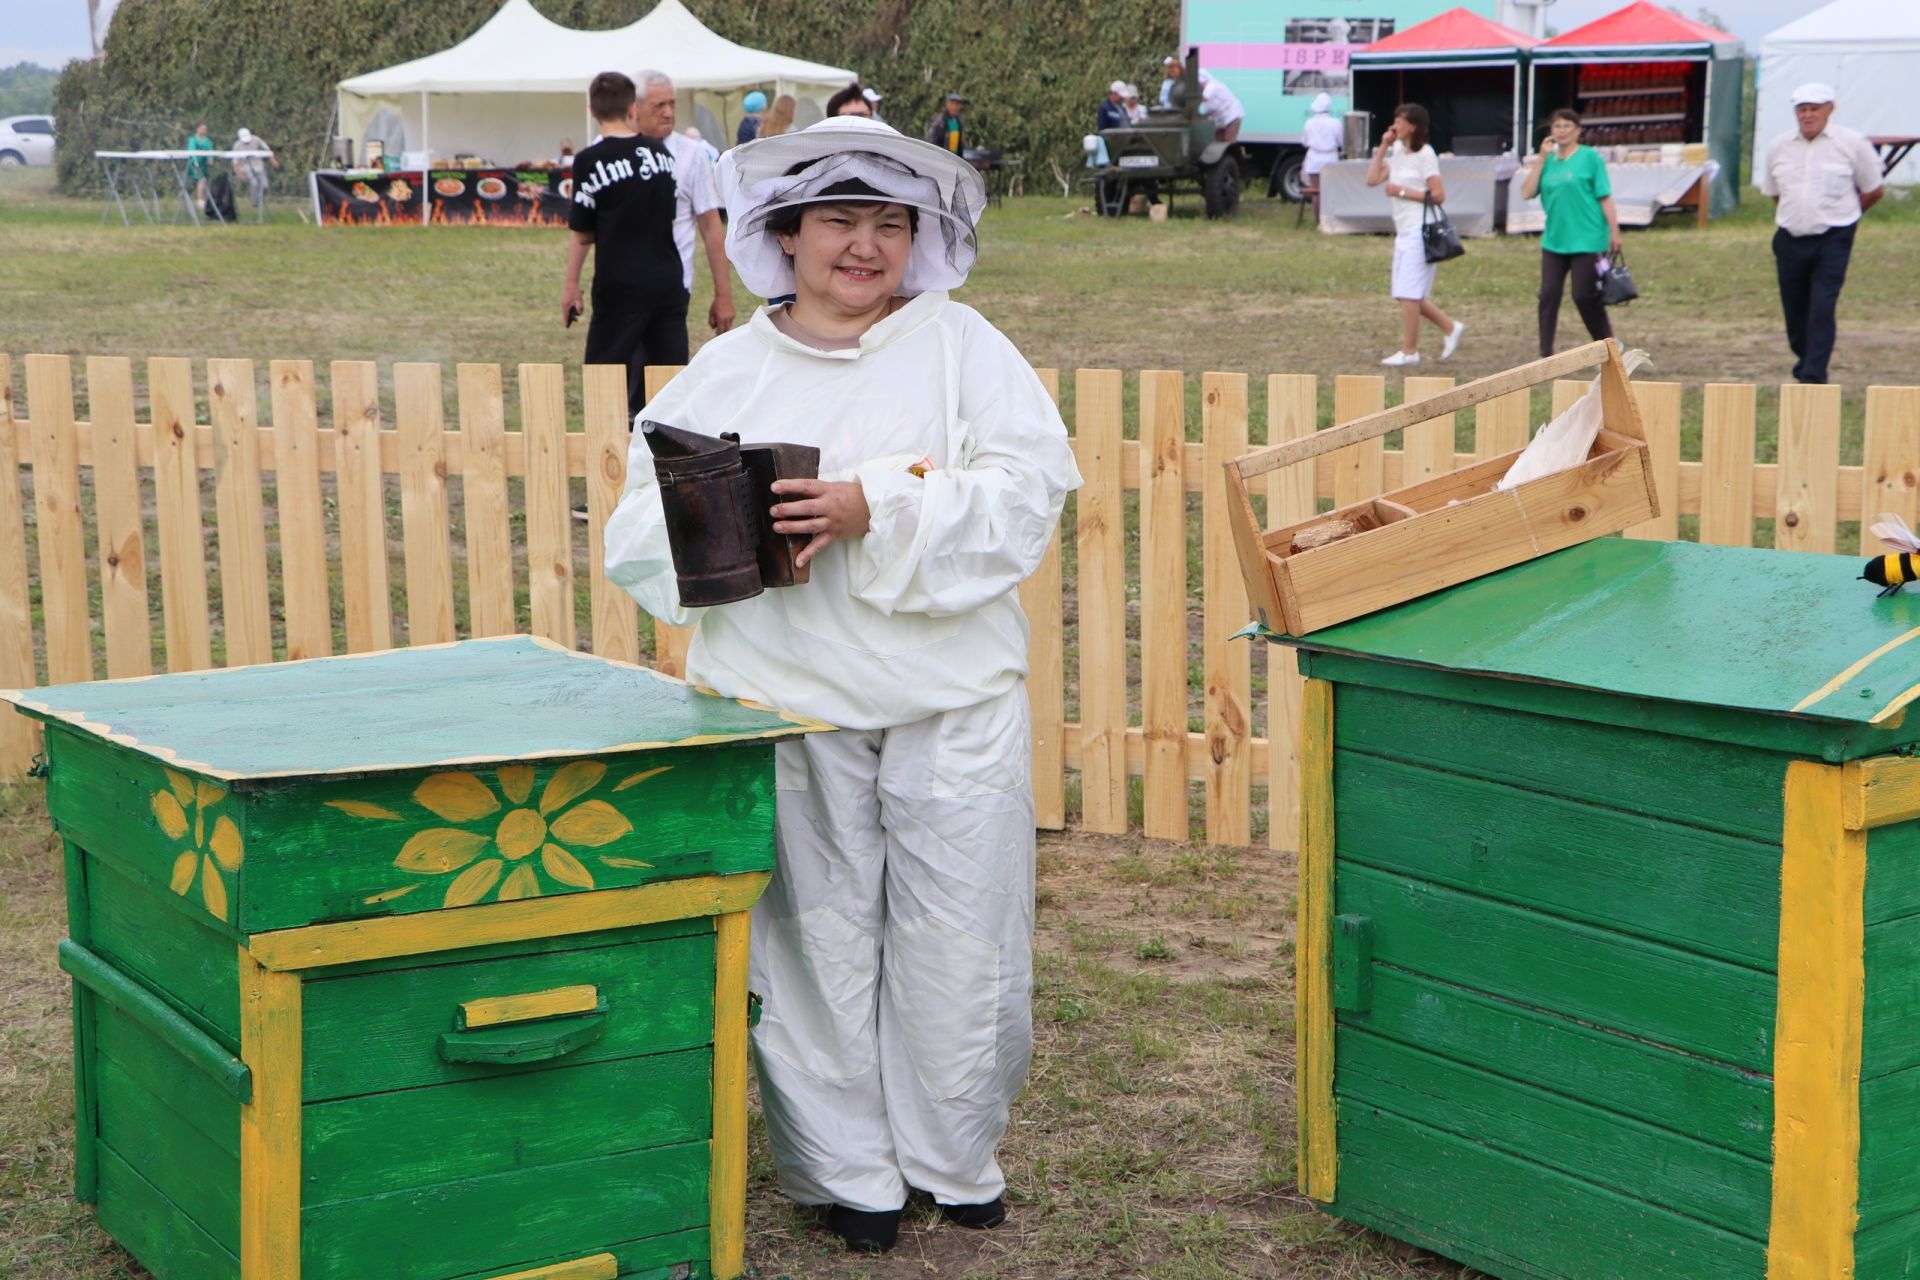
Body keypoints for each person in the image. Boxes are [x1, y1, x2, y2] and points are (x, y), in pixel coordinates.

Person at [604, 114, 1080, 1258]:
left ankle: (955, 1154)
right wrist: (717, 525)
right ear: (785, 232)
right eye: (838, 222)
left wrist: (881, 503)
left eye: (888, 224)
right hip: (788, 702)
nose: (862, 247)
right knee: (813, 942)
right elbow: (638, 532)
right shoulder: (723, 372)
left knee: (962, 933)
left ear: (920, 240)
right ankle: (850, 1169)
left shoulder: (966, 348)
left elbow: (1028, 492)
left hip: (950, 703)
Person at [561, 72, 685, 420]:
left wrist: (571, 284)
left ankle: (611, 450)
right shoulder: (661, 153)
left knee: (605, 378)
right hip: (667, 281)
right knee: (668, 384)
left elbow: (583, 232)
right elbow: (669, 216)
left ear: (592, 110)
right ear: (633, 108)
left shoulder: (589, 160)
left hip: (619, 285)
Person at [1759, 82, 1885, 385]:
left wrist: (1845, 217)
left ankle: (1814, 374)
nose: (1808, 115)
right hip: (1790, 235)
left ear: (1830, 110)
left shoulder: (1852, 143)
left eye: (1814, 109)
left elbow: (1873, 189)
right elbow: (1775, 192)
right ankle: (1804, 358)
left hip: (1834, 236)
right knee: (1794, 307)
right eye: (1802, 110)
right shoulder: (1779, 146)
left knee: (1822, 304)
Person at [1365, 103, 1465, 367]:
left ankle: (1410, 351)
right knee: (1404, 292)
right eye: (1395, 120)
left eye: (1400, 121)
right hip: (1404, 229)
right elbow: (1372, 179)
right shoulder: (1397, 151)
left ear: (1414, 126)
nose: (1395, 125)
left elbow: (1439, 195)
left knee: (1408, 292)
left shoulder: (1426, 155)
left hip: (1421, 231)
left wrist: (1401, 191)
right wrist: (1384, 147)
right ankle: (1449, 327)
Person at [1522, 108, 1620, 358]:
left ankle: (1608, 344)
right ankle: (1545, 353)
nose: (1562, 131)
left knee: (1583, 295)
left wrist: (1614, 232)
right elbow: (1526, 192)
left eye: (1567, 126)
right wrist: (1541, 159)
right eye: (1557, 126)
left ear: (1577, 130)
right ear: (1551, 132)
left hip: (1588, 237)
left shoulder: (1590, 158)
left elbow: (1605, 197)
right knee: (1549, 294)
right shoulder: (1548, 161)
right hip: (1555, 238)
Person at [1158, 54, 1242, 142]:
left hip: (1232, 116)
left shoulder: (1212, 86)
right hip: (1219, 120)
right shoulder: (1186, 84)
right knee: (1216, 145)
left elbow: (1202, 97)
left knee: (1228, 142)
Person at [1300, 91, 1342, 220]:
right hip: (1330, 158)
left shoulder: (1309, 123)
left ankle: (1318, 220)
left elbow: (1304, 142)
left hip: (1314, 159)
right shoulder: (1335, 123)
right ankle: (1329, 219)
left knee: (1315, 191)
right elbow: (1340, 141)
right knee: (1329, 191)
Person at [231, 127, 278, 221]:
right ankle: (254, 203)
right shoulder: (237, 145)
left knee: (264, 186)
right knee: (254, 183)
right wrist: (239, 173)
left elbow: (267, 150)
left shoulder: (256, 140)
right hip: (245, 167)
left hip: (258, 165)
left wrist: (273, 160)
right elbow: (235, 162)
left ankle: (260, 199)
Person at [185, 122, 214, 211]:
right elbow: (192, 151)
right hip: (194, 164)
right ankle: (200, 200)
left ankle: (203, 199)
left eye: (205, 129)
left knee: (204, 181)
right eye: (202, 129)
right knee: (202, 180)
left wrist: (210, 159)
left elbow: (210, 151)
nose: (204, 131)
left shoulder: (208, 141)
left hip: (203, 164)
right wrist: (195, 162)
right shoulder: (193, 140)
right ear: (197, 129)